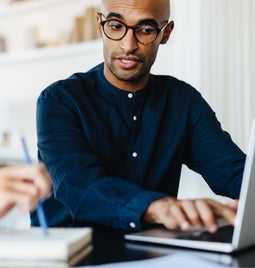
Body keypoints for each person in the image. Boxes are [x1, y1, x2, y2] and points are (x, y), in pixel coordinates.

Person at [32, 0, 246, 233]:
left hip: (151, 253)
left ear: (166, 33)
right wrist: (158, 208)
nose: (128, 45)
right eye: (115, 26)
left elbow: (231, 171)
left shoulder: (183, 100)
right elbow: (80, 187)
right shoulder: (59, 100)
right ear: (99, 24)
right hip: (72, 255)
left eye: (145, 30)